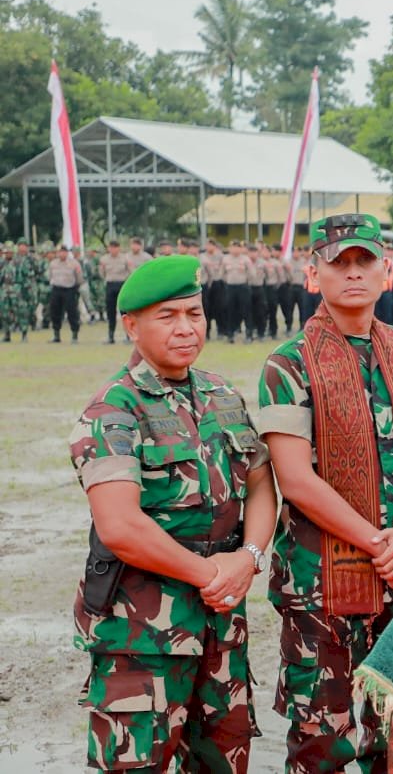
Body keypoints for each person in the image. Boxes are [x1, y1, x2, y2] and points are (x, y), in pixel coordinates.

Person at [68, 255, 277, 773]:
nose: (186, 328)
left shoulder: (222, 395)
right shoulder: (113, 410)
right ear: (131, 326)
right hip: (143, 639)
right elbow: (121, 527)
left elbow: (261, 483)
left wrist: (248, 558)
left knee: (224, 761)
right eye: (168, 316)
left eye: (194, 313)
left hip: (221, 629)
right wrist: (213, 572)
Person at [257, 213, 393, 772]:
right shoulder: (289, 362)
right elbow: (294, 479)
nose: (353, 273)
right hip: (322, 580)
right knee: (326, 735)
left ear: (387, 270)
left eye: (364, 261)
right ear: (312, 273)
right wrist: (379, 541)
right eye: (338, 263)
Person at [48, 245, 84, 344]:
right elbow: (50, 276)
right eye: (60, 252)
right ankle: (56, 335)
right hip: (56, 289)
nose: (62, 254)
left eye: (64, 251)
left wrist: (75, 288)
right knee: (55, 312)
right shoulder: (53, 264)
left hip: (69, 290)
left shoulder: (74, 263)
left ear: (67, 253)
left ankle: (74, 335)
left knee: (72, 312)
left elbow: (79, 278)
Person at [221, 241, 251, 343]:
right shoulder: (225, 259)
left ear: (240, 248)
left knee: (246, 311)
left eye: (237, 247)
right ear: (229, 248)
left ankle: (248, 334)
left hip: (243, 287)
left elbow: (252, 273)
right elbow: (222, 274)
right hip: (230, 287)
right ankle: (230, 334)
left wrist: (246, 280)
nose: (235, 249)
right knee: (230, 311)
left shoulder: (245, 259)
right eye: (233, 247)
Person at [200, 240, 226, 339]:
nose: (208, 247)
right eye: (207, 245)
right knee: (207, 309)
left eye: (210, 245)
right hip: (207, 284)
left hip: (218, 283)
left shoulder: (220, 256)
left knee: (219, 308)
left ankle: (221, 331)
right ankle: (207, 332)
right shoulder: (202, 256)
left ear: (214, 246)